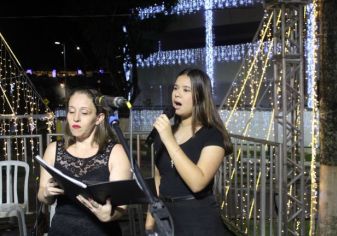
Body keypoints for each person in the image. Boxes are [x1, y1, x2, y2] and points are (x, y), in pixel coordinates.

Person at [145, 68, 233, 235]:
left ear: (200, 97)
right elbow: (158, 178)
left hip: (197, 219)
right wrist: (150, 221)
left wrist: (169, 140)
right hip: (166, 217)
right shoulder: (165, 133)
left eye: (186, 90)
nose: (177, 94)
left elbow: (197, 183)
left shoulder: (212, 136)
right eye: (175, 88)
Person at [37, 88, 132, 236]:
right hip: (60, 230)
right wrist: (47, 193)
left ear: (99, 118)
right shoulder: (53, 149)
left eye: (84, 112)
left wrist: (110, 215)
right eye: (71, 111)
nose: (75, 118)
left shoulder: (116, 152)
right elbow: (42, 195)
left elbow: (121, 207)